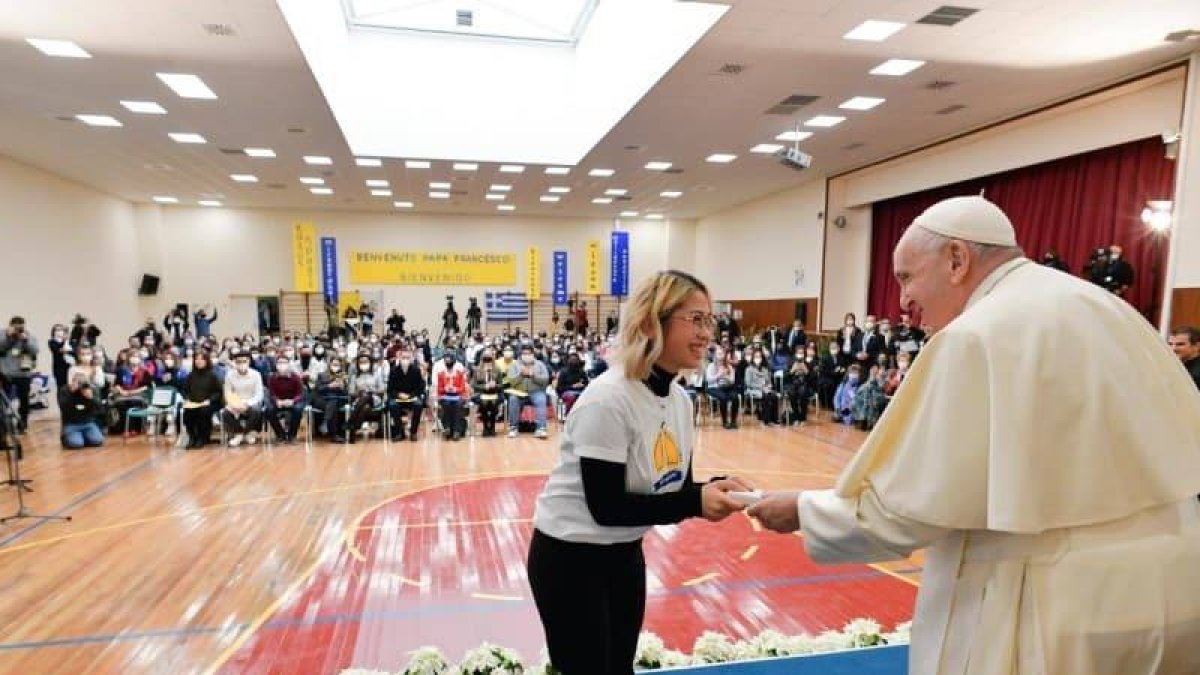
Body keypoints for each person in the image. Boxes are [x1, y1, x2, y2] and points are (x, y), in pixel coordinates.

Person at [749, 196, 1200, 675]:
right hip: (1173, 590)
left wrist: (802, 510)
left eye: (906, 277)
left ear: (957, 260)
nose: (903, 301)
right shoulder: (1108, 308)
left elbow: (905, 512)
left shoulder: (977, 335)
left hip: (1054, 605)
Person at [527, 270, 752, 675]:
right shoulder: (608, 399)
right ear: (651, 322)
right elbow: (607, 507)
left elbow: (674, 489)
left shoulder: (681, 401)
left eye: (709, 320)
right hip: (570, 559)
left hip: (624, 554)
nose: (707, 334)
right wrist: (695, 502)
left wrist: (710, 489)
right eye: (695, 319)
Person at [0, 317, 39, 433]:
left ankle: (23, 423)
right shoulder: (3, 334)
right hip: (5, 373)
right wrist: (9, 338)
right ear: (10, 325)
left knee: (24, 400)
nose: (18, 329)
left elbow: (35, 351)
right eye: (15, 327)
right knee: (4, 401)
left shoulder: (28, 336)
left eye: (20, 327)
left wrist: (25, 340)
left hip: (23, 374)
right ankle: (3, 426)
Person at [507, 344, 551, 439]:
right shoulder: (515, 365)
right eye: (524, 353)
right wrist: (521, 375)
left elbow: (545, 380)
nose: (526, 355)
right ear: (521, 354)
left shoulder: (540, 364)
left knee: (541, 400)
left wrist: (533, 376)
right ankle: (513, 428)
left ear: (533, 354)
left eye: (529, 353)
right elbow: (512, 381)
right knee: (513, 400)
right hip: (519, 392)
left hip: (536, 391)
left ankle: (541, 428)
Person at [222, 351, 264, 447]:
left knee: (257, 411)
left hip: (251, 403)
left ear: (249, 362)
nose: (241, 364)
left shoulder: (256, 374)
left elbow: (259, 394)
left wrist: (247, 403)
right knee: (226, 413)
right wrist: (235, 404)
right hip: (235, 403)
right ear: (235, 363)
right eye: (239, 362)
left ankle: (245, 433)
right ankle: (239, 433)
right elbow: (228, 393)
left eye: (244, 361)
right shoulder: (229, 375)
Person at [181, 351, 222, 449]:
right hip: (193, 402)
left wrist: (209, 400)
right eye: (197, 359)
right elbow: (185, 390)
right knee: (188, 412)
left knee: (203, 412)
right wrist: (187, 399)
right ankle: (192, 437)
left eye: (201, 359)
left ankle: (202, 438)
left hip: (209, 403)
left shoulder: (212, 375)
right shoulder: (191, 375)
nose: (199, 361)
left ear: (206, 361)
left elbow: (218, 392)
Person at [387, 347, 426, 442]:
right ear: (399, 358)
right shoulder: (393, 370)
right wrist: (398, 395)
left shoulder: (416, 370)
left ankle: (413, 432)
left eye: (407, 357)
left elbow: (420, 387)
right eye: (403, 357)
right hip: (398, 397)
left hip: (411, 397)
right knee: (392, 405)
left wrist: (411, 396)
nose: (405, 360)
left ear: (411, 359)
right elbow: (390, 389)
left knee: (418, 404)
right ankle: (400, 433)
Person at [265, 353, 305, 444]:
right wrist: (277, 401)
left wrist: (292, 401)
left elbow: (300, 393)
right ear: (276, 364)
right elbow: (271, 394)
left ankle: (292, 435)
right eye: (279, 363)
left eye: (284, 362)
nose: (282, 365)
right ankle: (280, 435)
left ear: (288, 364)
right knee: (269, 410)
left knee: (298, 409)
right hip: (279, 401)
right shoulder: (272, 378)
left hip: (292, 401)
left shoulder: (295, 377)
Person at [435, 352, 470, 441]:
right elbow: (439, 389)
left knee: (457, 405)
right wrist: (445, 389)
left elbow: (462, 387)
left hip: (458, 396)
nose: (448, 362)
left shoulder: (459, 373)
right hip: (445, 396)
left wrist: (455, 389)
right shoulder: (441, 374)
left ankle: (456, 431)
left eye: (449, 360)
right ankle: (447, 428)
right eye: (446, 360)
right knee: (446, 404)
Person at [705, 348, 738, 429]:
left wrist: (726, 376)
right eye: (718, 354)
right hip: (714, 387)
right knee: (723, 398)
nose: (720, 356)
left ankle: (733, 421)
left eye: (722, 354)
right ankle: (725, 421)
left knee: (735, 397)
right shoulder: (711, 366)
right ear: (715, 355)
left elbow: (732, 380)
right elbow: (708, 379)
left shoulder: (729, 366)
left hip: (727, 387)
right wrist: (718, 375)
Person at [472, 351, 503, 437]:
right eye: (485, 360)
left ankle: (492, 427)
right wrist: (484, 386)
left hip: (495, 393)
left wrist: (495, 385)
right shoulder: (477, 370)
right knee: (483, 404)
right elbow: (473, 385)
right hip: (481, 393)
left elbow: (501, 385)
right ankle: (485, 427)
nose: (487, 362)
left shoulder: (497, 370)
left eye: (489, 360)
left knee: (493, 404)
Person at [554, 352, 589, 417]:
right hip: (566, 392)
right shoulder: (564, 372)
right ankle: (569, 415)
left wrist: (582, 385)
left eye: (575, 360)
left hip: (580, 391)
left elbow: (587, 383)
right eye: (572, 360)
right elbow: (559, 388)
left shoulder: (581, 371)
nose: (574, 361)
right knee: (571, 397)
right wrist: (572, 386)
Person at [48, 324, 71, 392]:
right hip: (59, 367)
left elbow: (73, 352)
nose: (59, 332)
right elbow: (57, 350)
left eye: (61, 330)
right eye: (57, 330)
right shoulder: (52, 341)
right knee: (61, 386)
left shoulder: (68, 342)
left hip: (69, 366)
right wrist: (64, 341)